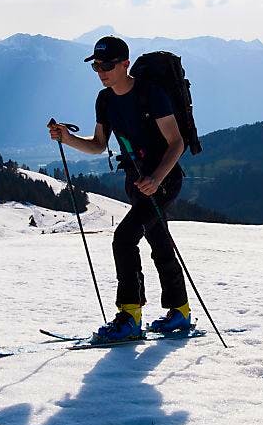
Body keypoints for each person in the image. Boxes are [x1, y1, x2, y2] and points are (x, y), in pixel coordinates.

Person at [48, 35, 191, 343]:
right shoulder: (105, 100)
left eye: (107, 65)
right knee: (158, 240)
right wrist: (66, 138)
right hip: (137, 181)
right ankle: (179, 311)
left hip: (164, 180)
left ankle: (130, 316)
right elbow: (99, 145)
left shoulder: (151, 94)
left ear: (125, 63)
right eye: (96, 66)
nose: (101, 72)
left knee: (124, 238)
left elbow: (177, 142)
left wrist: (157, 179)